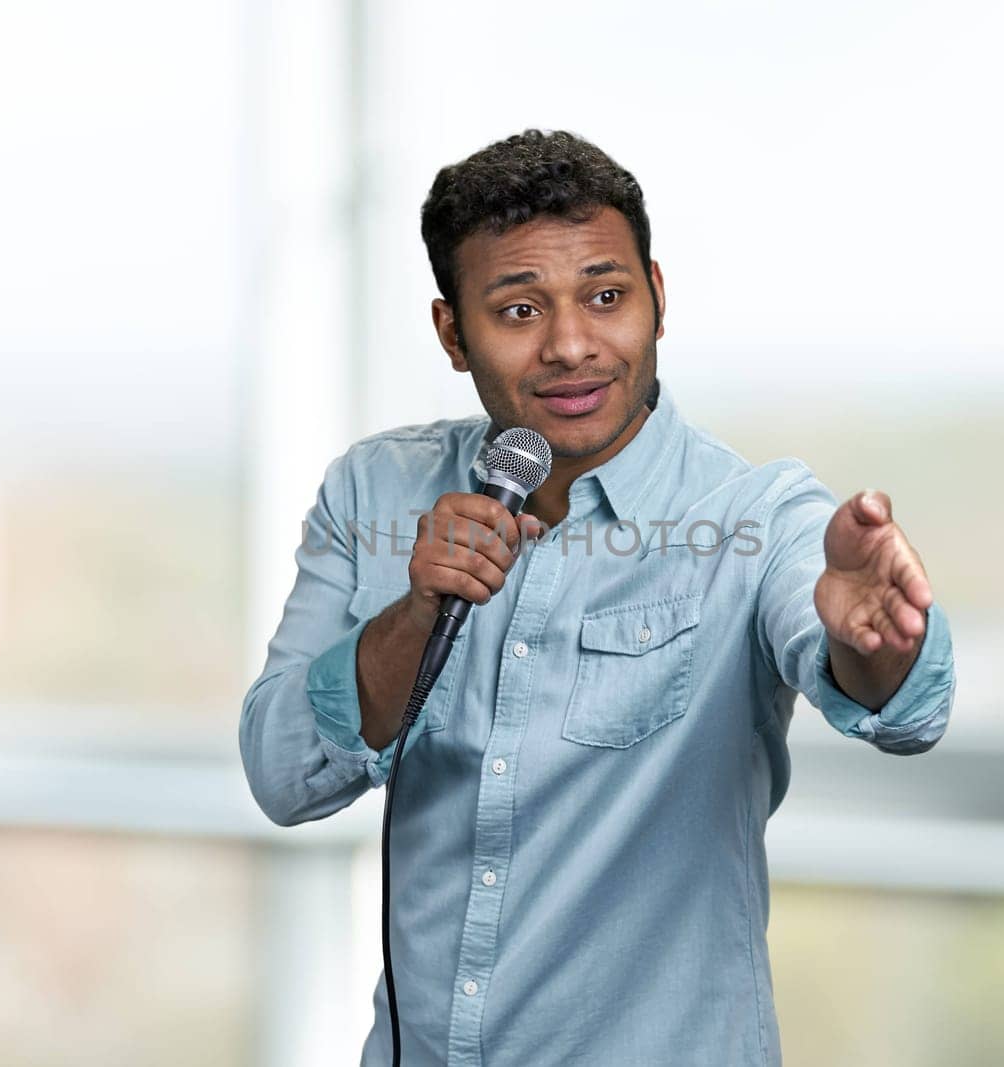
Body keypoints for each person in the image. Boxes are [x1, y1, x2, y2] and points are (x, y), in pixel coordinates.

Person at [240, 128, 956, 1066]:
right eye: (520, 309)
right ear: (453, 332)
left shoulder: (756, 516)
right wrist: (419, 615)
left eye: (606, 297)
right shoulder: (373, 493)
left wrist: (879, 640)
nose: (571, 345)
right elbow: (280, 773)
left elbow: (894, 701)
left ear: (658, 300)